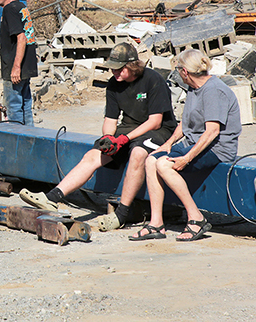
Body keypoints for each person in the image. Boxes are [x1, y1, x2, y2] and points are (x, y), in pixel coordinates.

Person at [20, 42, 177, 231]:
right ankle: (52, 197)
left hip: (158, 130)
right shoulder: (113, 84)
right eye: (113, 69)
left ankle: (121, 214)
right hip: (129, 127)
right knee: (93, 155)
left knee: (137, 153)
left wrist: (125, 140)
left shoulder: (153, 80)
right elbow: (110, 120)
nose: (115, 73)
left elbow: (155, 121)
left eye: (120, 69)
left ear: (132, 65)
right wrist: (109, 139)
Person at [130, 49, 241, 242]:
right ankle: (156, 223)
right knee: (151, 160)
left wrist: (187, 158)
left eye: (178, 69)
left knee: (164, 165)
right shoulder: (193, 88)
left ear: (185, 72)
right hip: (193, 142)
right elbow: (185, 123)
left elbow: (212, 132)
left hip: (217, 148)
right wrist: (168, 144)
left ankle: (196, 218)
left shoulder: (214, 91)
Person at [0, 0, 38, 126]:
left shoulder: (9, 10)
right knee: (25, 106)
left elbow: (21, 38)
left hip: (16, 68)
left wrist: (16, 67)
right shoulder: (21, 7)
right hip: (26, 66)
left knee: (14, 108)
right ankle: (30, 139)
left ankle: (18, 144)